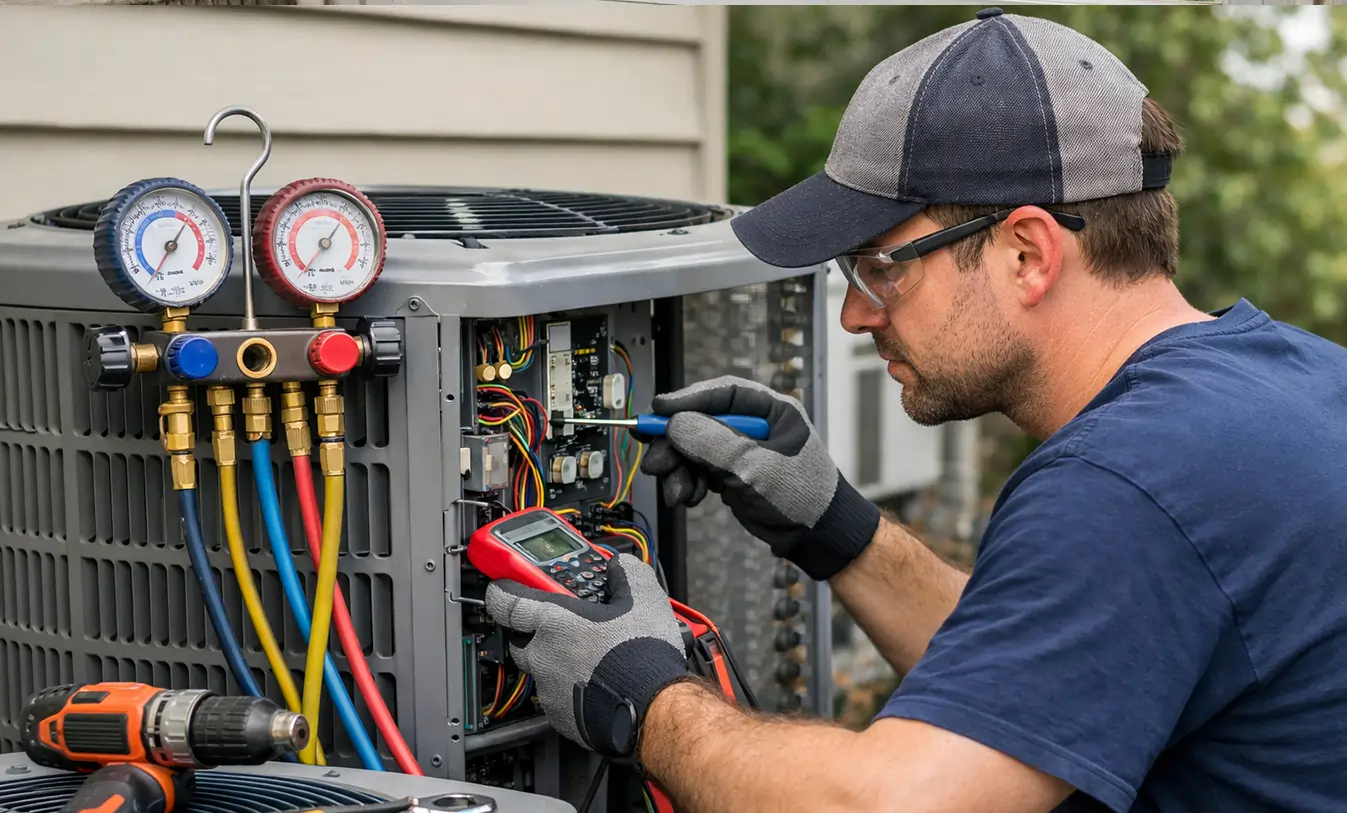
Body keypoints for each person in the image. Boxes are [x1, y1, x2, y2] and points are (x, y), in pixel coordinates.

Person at [484, 8, 1347, 813]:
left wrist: (643, 698)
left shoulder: (1126, 481)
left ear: (1026, 252)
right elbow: (1037, 681)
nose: (858, 314)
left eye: (879, 266)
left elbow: (899, 801)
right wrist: (835, 526)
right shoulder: (1291, 381)